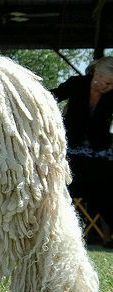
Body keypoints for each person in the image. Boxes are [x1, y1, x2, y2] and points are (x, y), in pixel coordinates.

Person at [50, 56, 113, 248]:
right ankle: (54, 233)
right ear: (96, 74)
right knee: (59, 184)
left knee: (108, 186)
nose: (110, 87)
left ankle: (107, 238)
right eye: (108, 82)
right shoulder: (77, 84)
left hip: (98, 150)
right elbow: (50, 98)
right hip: (70, 147)